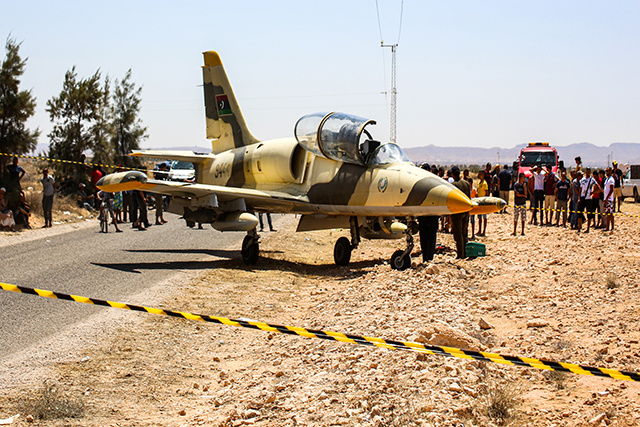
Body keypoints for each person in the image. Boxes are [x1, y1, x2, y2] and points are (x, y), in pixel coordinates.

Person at [450, 167, 470, 259]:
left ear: (453, 175)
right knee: (464, 232)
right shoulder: (466, 183)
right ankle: (465, 252)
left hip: (457, 212)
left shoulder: (453, 185)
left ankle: (460, 254)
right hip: (466, 211)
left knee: (458, 234)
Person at [476, 170, 489, 236]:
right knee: (480, 217)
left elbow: (487, 193)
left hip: (483, 202)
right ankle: (479, 230)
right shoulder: (479, 183)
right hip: (479, 202)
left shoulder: (484, 183)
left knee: (484, 217)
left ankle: (484, 231)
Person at [603, 168, 615, 232]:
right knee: (609, 213)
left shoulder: (611, 180)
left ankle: (608, 227)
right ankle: (610, 227)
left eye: (607, 171)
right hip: (606, 198)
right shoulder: (607, 179)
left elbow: (611, 190)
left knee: (609, 213)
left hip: (609, 199)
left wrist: (607, 198)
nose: (606, 172)